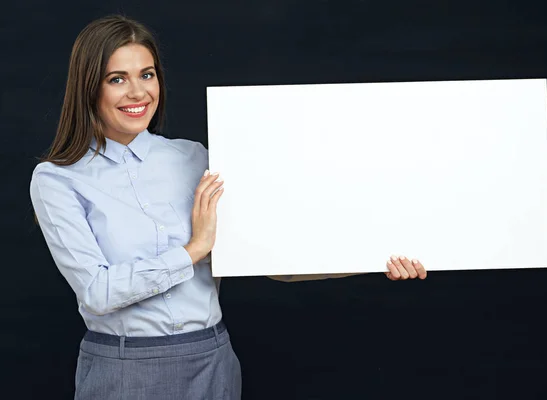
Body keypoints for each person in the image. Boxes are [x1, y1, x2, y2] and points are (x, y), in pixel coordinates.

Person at [30, 15, 428, 400]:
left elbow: (271, 261)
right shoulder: (58, 179)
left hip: (212, 360)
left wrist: (377, 257)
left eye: (147, 74)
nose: (138, 93)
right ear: (89, 87)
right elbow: (98, 293)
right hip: (125, 368)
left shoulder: (197, 158)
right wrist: (192, 251)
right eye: (117, 79)